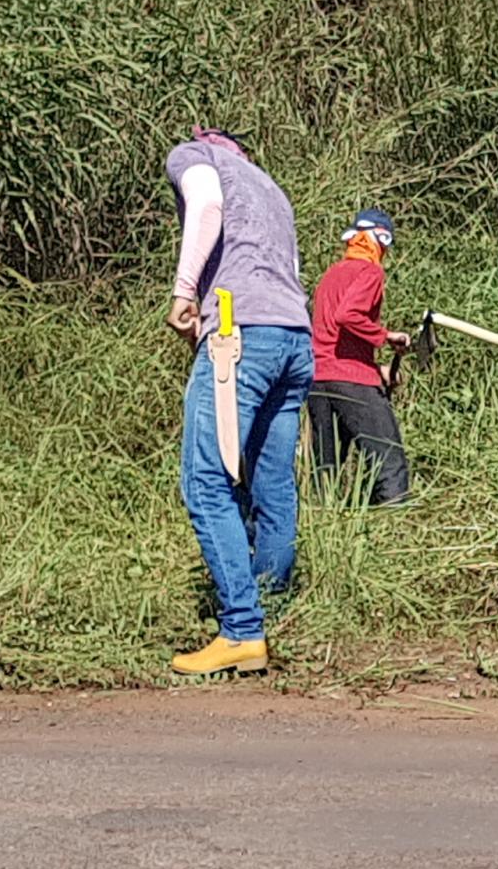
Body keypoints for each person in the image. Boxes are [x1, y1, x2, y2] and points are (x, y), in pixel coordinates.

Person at [163, 127, 314, 677]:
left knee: (205, 479)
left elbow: (204, 205)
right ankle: (272, 610)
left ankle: (243, 630)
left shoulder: (195, 157)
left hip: (238, 332)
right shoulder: (272, 188)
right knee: (271, 482)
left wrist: (184, 292)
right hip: (296, 337)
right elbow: (292, 271)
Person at [307, 208, 414, 505]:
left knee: (326, 471)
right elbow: (347, 315)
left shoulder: (331, 275)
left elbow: (330, 333)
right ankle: (394, 534)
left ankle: (324, 530)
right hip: (350, 379)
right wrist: (386, 336)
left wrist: (375, 367)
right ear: (380, 239)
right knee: (390, 464)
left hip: (319, 379)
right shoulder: (370, 272)